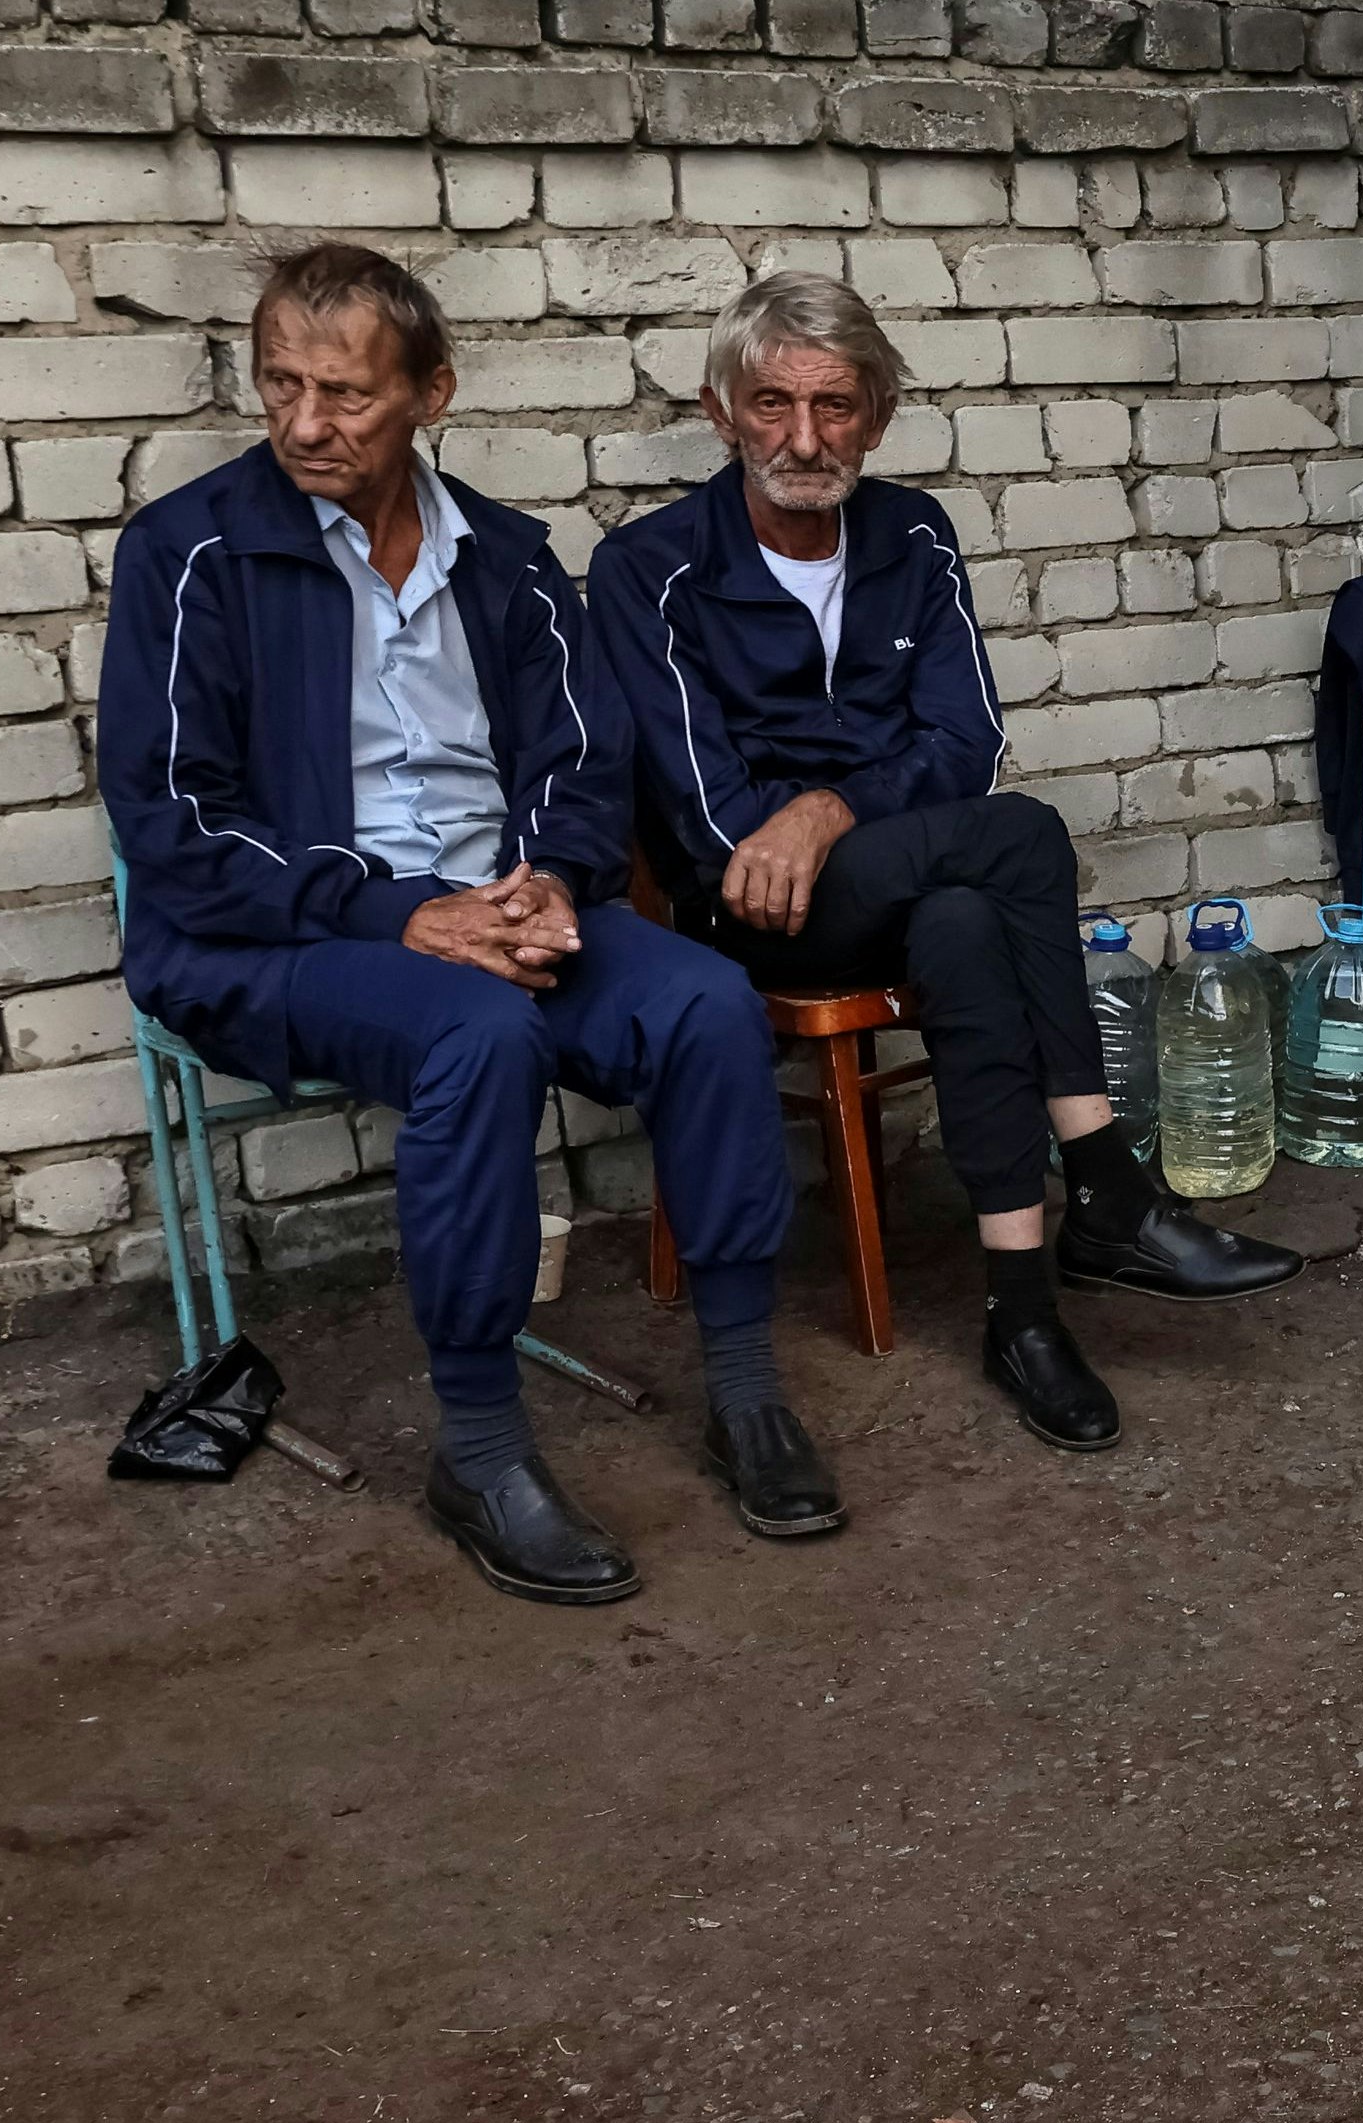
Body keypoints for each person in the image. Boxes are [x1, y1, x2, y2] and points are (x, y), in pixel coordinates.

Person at [98, 245, 824, 1604]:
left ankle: (744, 1389)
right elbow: (174, 825)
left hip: (494, 909)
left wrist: (550, 875)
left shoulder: (506, 558)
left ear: (432, 392)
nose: (306, 423)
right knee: (481, 1034)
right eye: (279, 385)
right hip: (277, 936)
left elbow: (584, 757)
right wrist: (402, 914)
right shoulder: (189, 554)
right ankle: (481, 1450)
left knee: (706, 1004)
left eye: (346, 394)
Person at [592, 273, 1298, 1454]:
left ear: (876, 415)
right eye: (772, 405)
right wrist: (820, 821)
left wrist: (824, 809)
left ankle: (1021, 1315)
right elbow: (716, 825)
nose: (805, 439)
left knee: (971, 917)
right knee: (1022, 837)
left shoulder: (913, 533)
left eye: (836, 406)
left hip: (900, 879)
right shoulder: (648, 571)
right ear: (721, 414)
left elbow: (963, 741)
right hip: (754, 914)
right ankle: (1110, 1188)